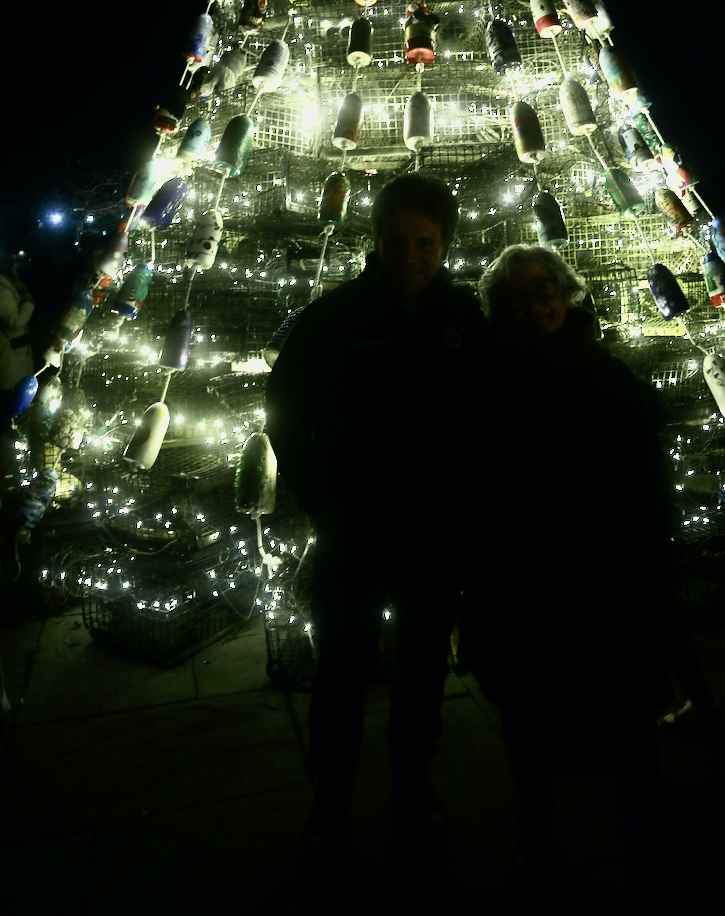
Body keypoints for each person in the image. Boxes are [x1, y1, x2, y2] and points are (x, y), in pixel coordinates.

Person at [265, 173, 488, 870]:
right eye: (398, 241)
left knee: (423, 671)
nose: (411, 255)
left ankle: (413, 786)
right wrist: (317, 497)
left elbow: (492, 415)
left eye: (425, 243)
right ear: (378, 239)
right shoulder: (334, 318)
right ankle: (331, 800)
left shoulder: (465, 321)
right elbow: (284, 410)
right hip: (354, 532)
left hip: (435, 535)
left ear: (444, 245)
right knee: (341, 671)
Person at [462, 244, 678, 879]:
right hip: (526, 578)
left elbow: (647, 477)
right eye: (518, 298)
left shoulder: (608, 377)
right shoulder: (489, 383)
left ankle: (643, 820)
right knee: (529, 711)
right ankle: (537, 828)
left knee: (627, 705)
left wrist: (650, 560)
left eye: (543, 290)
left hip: (608, 572)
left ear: (563, 292)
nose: (535, 306)